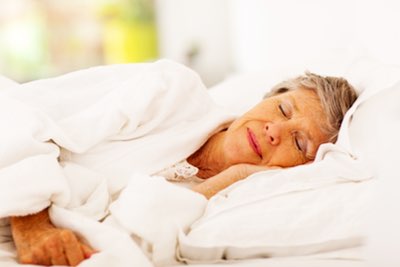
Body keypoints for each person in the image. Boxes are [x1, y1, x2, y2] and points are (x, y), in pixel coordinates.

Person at [6, 61, 357, 266]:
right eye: (283, 110)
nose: (274, 131)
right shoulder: (172, 91)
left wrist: (227, 179)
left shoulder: (232, 203)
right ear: (267, 98)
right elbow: (25, 111)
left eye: (299, 142)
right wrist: (32, 223)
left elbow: (128, 249)